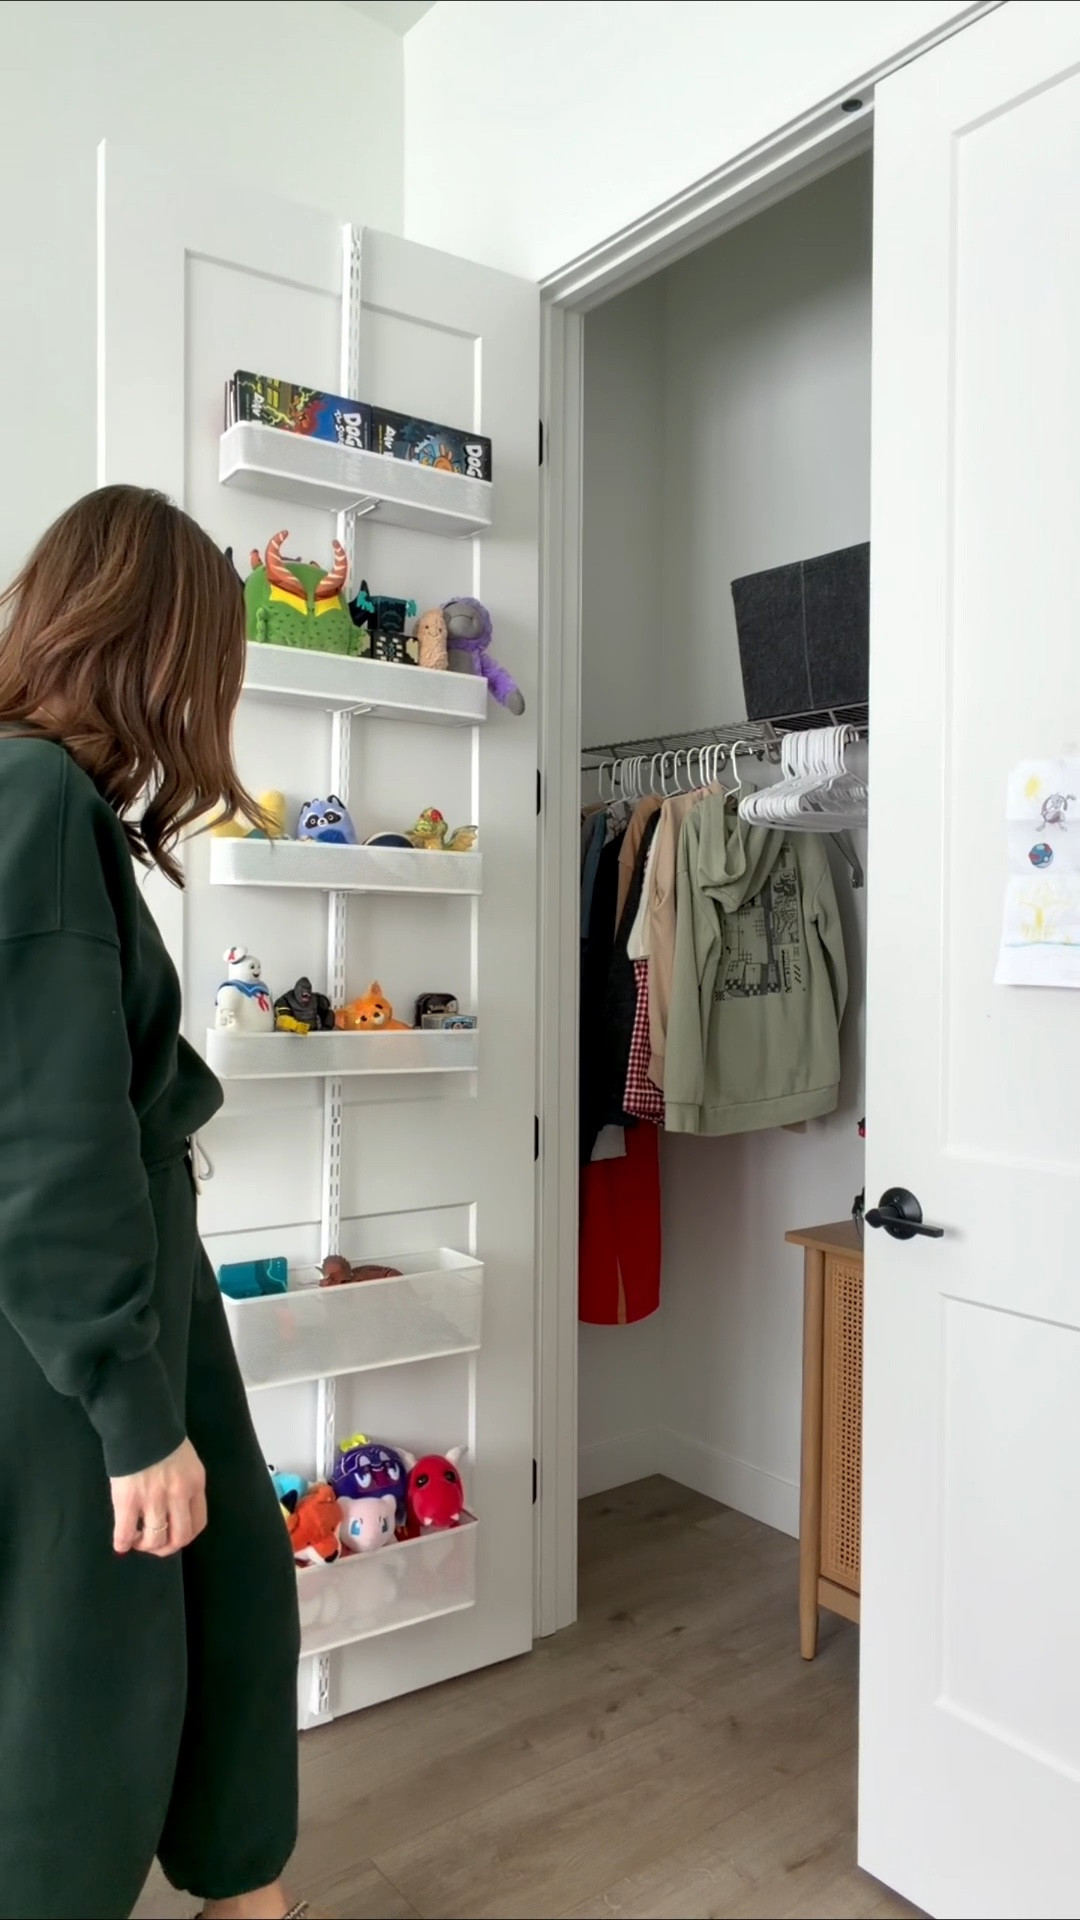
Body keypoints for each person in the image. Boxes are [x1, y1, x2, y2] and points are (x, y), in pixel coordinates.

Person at [0, 488, 306, 1920]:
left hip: (136, 1288)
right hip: (81, 1327)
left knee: (231, 1601)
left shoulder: (49, 805)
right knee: (83, 1688)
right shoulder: (34, 798)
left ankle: (245, 1889)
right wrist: (129, 1409)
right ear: (159, 645)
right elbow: (45, 1134)